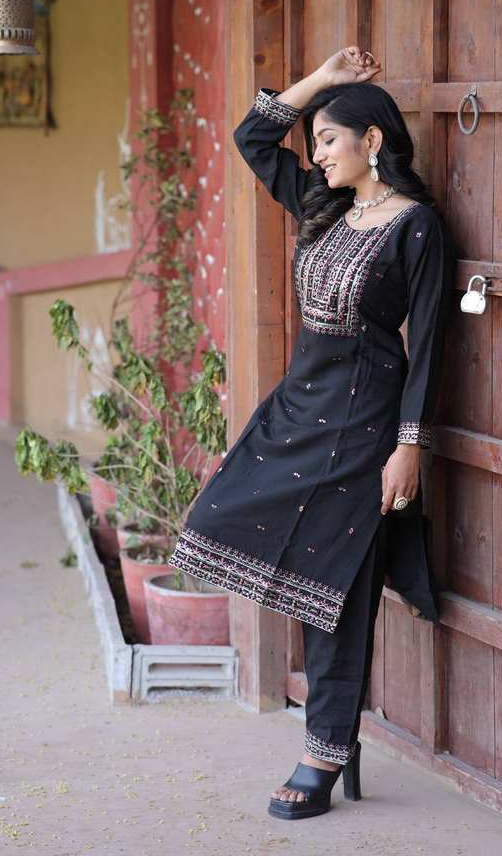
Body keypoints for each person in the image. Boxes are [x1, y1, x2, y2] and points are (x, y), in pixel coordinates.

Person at [168, 46, 456, 820]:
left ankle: (326, 749)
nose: (317, 154)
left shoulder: (417, 228)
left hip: (364, 425)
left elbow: (429, 344)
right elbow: (253, 137)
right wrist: (324, 81)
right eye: (316, 142)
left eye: (329, 139)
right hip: (297, 412)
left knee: (338, 587)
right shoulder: (323, 205)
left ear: (372, 140)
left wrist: (409, 446)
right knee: (222, 521)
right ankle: (332, 734)